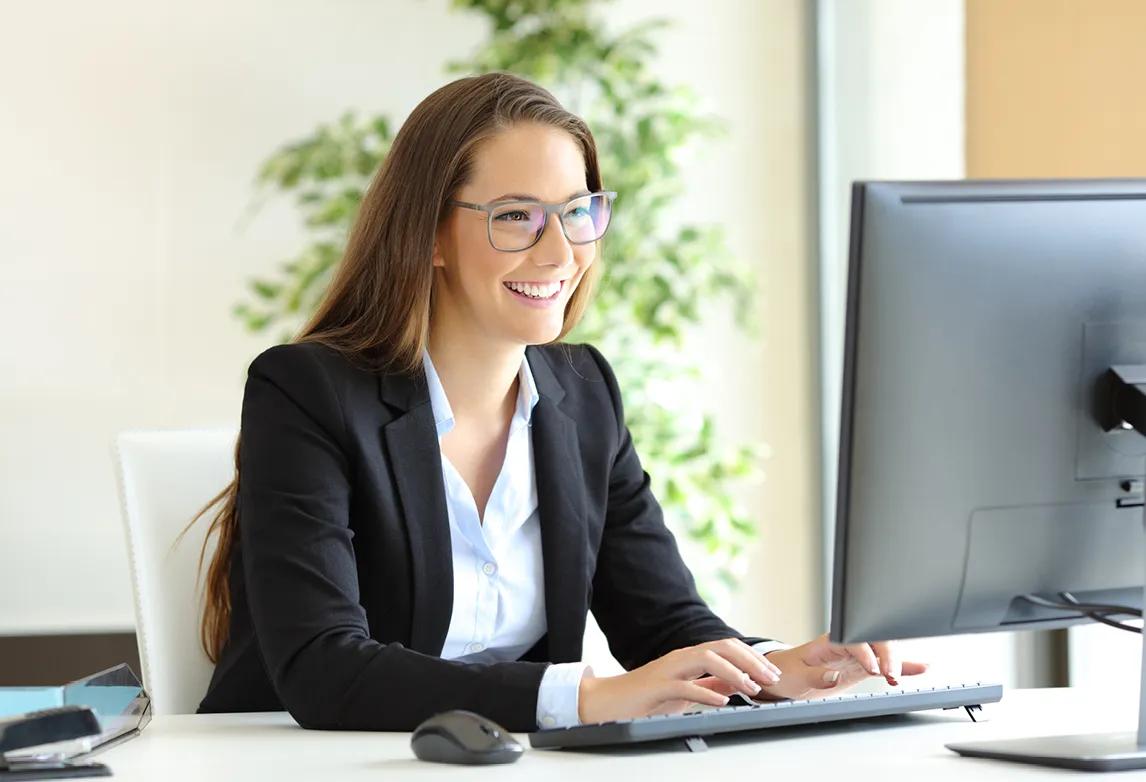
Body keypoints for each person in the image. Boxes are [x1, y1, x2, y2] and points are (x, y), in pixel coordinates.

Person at [193, 72, 926, 733]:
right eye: (515, 216)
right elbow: (327, 671)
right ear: (431, 234)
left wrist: (780, 669)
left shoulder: (584, 395)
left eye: (578, 212)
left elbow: (664, 624)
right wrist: (584, 698)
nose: (559, 253)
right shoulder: (306, 391)